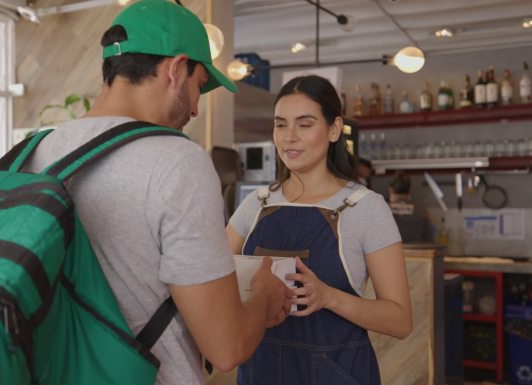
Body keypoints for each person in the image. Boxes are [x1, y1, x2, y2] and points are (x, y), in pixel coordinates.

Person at [23, 1, 291, 384]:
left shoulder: (35, 151)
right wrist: (263, 294)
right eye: (200, 86)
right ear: (176, 69)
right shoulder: (177, 161)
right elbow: (227, 347)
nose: (197, 109)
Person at [226, 75, 413, 385]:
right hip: (260, 370)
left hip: (338, 373)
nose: (289, 137)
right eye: (281, 124)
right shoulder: (255, 204)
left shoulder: (365, 207)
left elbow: (400, 320)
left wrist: (328, 297)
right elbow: (211, 277)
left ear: (334, 129)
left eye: (305, 124)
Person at [387, 170, 433, 243]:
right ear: (410, 189)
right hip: (416, 253)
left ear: (390, 189)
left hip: (389, 253)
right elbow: (430, 240)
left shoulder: (382, 210)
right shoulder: (421, 211)